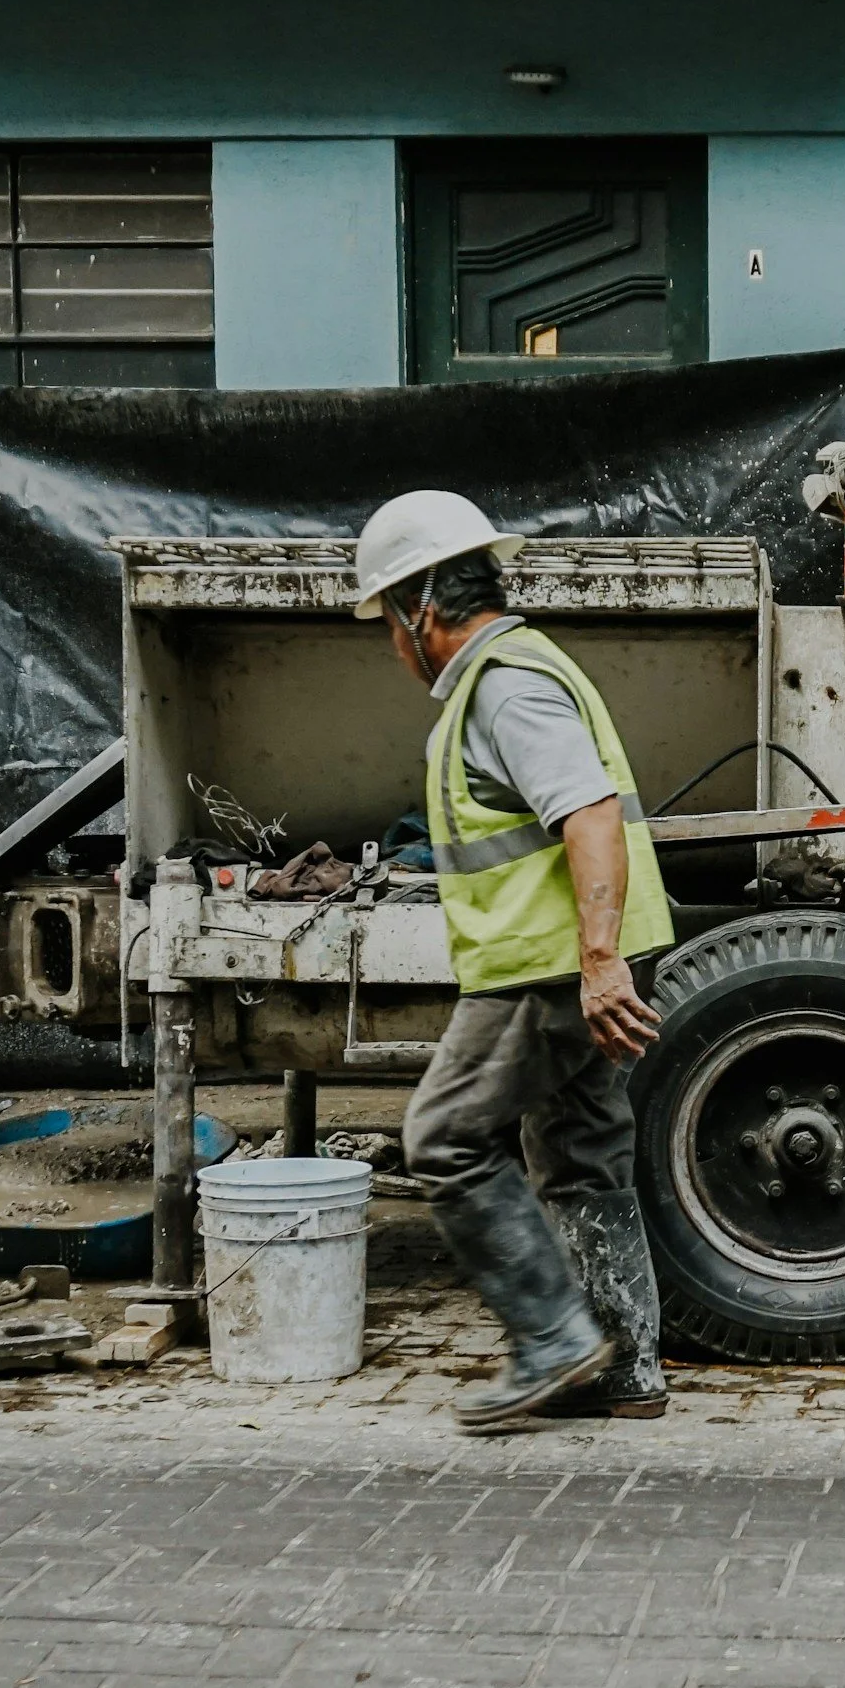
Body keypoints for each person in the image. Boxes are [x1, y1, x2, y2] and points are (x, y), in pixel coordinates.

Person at [354, 490, 675, 1432]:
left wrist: (598, 961)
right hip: (573, 964)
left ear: (423, 606)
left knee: (445, 1140)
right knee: (580, 1152)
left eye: (387, 620)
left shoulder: (505, 683)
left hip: (545, 974)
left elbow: (588, 813)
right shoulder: (517, 671)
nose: (391, 645)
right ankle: (625, 1366)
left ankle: (552, 1341)